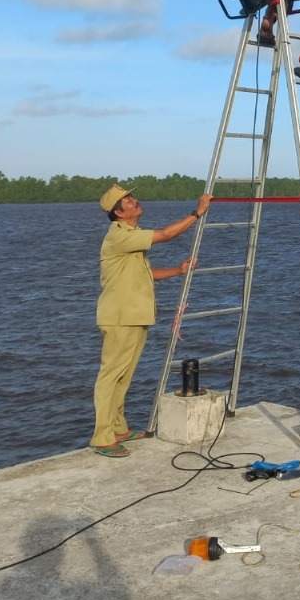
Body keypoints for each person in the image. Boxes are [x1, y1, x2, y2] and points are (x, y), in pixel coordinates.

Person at [90, 183, 212, 458]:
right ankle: (101, 436)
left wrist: (177, 271)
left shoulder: (130, 235)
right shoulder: (119, 236)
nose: (135, 202)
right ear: (119, 213)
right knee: (110, 376)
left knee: (124, 376)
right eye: (129, 201)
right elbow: (167, 234)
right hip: (120, 317)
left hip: (134, 315)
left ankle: (118, 428)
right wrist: (197, 213)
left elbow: (145, 274)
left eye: (133, 198)